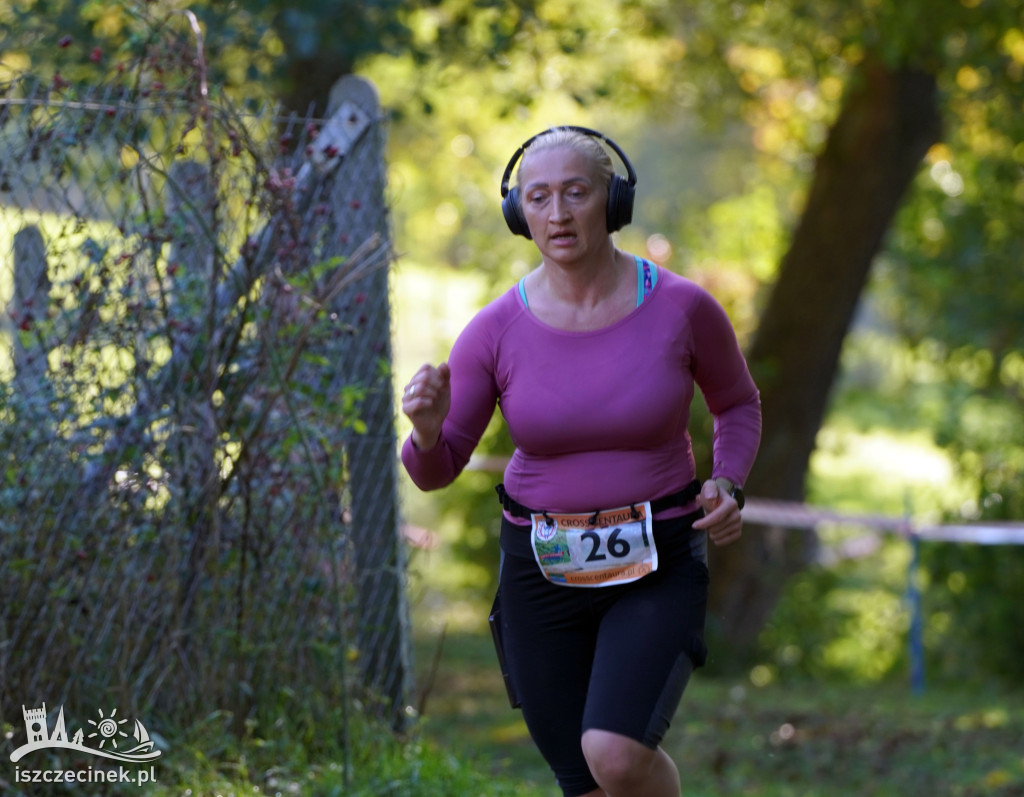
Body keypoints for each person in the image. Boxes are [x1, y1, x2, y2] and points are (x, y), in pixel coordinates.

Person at [400, 126, 761, 797]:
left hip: (657, 557)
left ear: (612, 200)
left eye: (576, 193)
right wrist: (424, 430)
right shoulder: (494, 331)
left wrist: (728, 479)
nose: (558, 214)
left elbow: (738, 404)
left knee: (616, 754)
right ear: (520, 214)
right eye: (538, 198)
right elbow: (439, 465)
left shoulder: (682, 308)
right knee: (585, 780)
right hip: (541, 569)